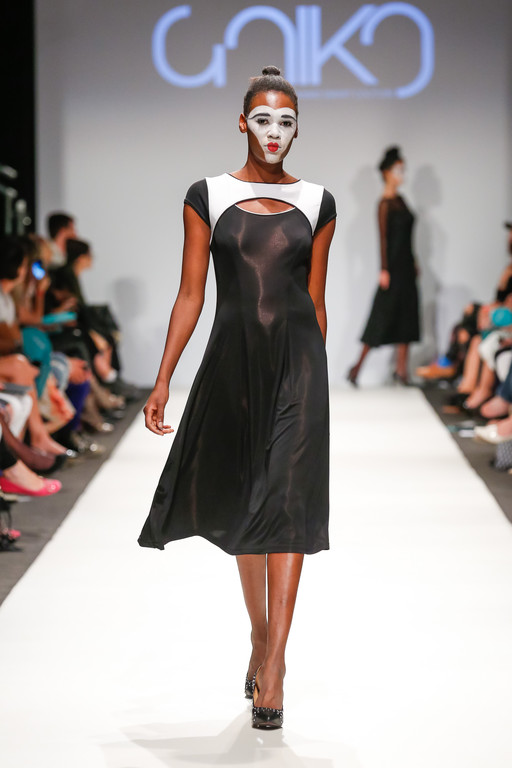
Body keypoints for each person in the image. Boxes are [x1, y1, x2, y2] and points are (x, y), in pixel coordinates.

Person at [138, 66, 336, 730]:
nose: (275, 131)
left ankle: (275, 663)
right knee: (249, 506)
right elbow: (190, 293)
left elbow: (316, 300)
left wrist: (316, 382)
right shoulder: (208, 195)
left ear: (297, 129)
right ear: (243, 122)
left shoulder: (318, 202)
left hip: (299, 368)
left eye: (287, 121)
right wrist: (164, 377)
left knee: (290, 507)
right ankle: (259, 633)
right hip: (233, 369)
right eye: (264, 119)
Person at [348, 146, 420, 385]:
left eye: (403, 170)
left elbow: (408, 237)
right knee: (381, 316)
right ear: (387, 173)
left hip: (407, 268)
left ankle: (402, 371)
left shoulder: (402, 201)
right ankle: (356, 368)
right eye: (398, 170)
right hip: (393, 269)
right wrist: (384, 269)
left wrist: (415, 261)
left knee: (408, 316)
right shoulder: (384, 204)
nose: (402, 174)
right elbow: (383, 239)